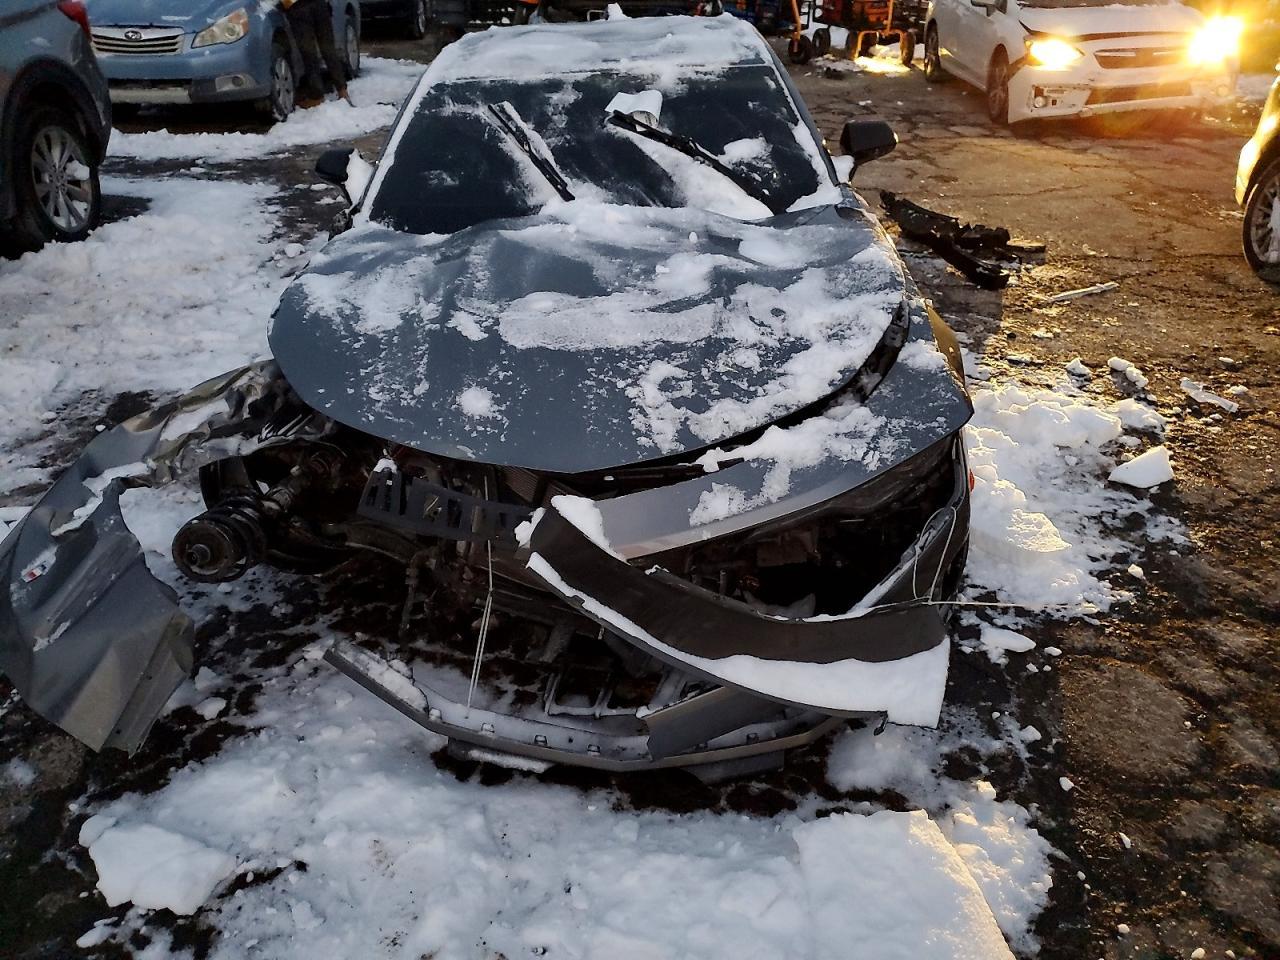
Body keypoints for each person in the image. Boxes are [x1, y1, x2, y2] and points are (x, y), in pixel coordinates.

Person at [282, 0, 350, 109]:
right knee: (328, 49)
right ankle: (342, 90)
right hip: (320, 5)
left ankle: (317, 96)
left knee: (309, 54)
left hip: (298, 8)